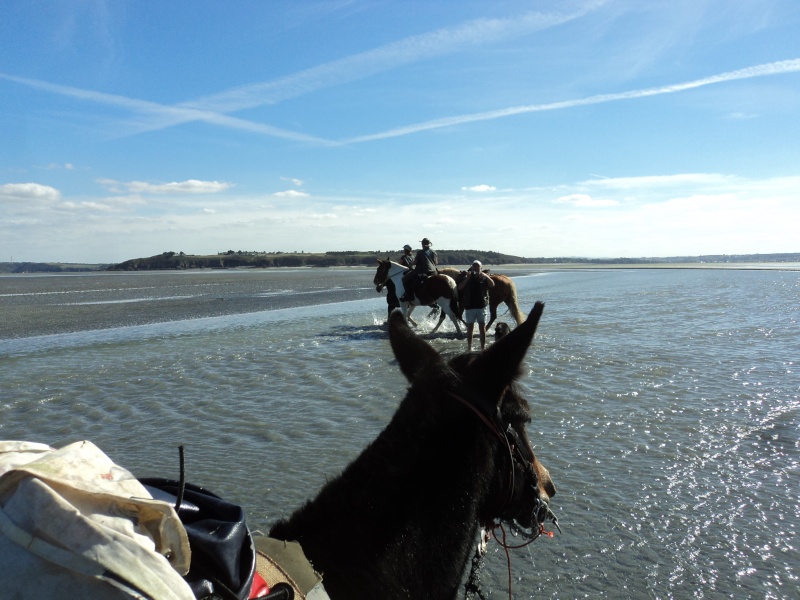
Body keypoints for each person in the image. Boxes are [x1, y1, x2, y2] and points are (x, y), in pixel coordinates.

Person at [457, 260, 495, 350]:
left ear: (481, 268)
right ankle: (469, 347)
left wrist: (486, 276)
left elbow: (492, 285)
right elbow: (459, 287)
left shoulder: (484, 277)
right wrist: (467, 278)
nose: (476, 268)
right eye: (474, 266)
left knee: (482, 327)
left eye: (478, 266)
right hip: (470, 306)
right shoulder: (467, 277)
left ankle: (482, 347)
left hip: (482, 306)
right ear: (472, 267)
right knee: (470, 328)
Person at [400, 238, 438, 303]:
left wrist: (410, 265)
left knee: (404, 279)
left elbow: (415, 262)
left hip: (423, 271)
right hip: (434, 271)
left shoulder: (420, 252)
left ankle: (409, 296)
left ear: (422, 244)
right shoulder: (433, 252)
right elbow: (436, 263)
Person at [384, 245, 414, 320]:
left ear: (405, 250)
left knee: (390, 281)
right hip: (411, 274)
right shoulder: (412, 257)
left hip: (404, 275)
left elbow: (399, 266)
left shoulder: (403, 257)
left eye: (404, 250)